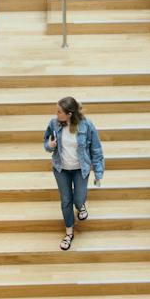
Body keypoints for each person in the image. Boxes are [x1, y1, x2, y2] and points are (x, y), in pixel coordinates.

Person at [43, 97, 104, 251]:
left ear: (69, 114)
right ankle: (69, 232)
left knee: (78, 198)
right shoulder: (53, 123)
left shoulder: (87, 125)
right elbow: (46, 143)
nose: (56, 114)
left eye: (59, 111)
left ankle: (81, 205)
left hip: (80, 168)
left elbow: (96, 149)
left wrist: (98, 172)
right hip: (61, 169)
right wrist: (49, 146)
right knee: (66, 200)